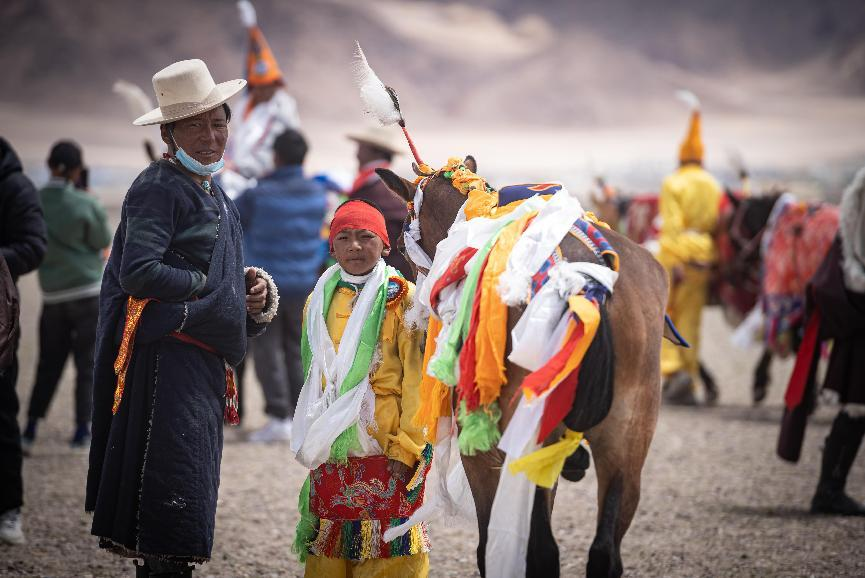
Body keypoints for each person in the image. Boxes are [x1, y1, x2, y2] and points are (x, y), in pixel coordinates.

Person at [85, 59, 278, 577]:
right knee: (172, 490)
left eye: (218, 123)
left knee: (187, 486)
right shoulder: (160, 187)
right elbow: (138, 271)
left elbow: (215, 265)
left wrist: (249, 288)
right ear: (168, 134)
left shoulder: (210, 188)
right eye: (196, 126)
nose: (211, 137)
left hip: (199, 363)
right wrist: (210, 287)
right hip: (168, 363)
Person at [291, 199, 430, 577]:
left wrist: (407, 446)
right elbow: (314, 376)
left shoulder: (404, 298)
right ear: (332, 247)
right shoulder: (318, 300)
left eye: (366, 237)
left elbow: (418, 379)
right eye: (344, 238)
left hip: (387, 440)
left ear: (384, 245)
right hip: (332, 439)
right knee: (330, 546)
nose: (354, 246)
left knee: (390, 547)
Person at [778, 166, 865, 516]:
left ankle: (831, 487)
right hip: (860, 316)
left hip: (856, 312)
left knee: (856, 407)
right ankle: (829, 488)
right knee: (855, 407)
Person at [235, 129, 326, 442]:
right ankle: (299, 415)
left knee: (267, 349)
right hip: (304, 283)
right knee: (297, 349)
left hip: (266, 285)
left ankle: (278, 416)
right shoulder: (317, 193)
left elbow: (231, 218)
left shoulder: (257, 194)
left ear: (275, 156)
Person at [21, 141, 112, 453]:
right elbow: (101, 240)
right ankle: (81, 431)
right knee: (87, 364)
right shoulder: (85, 202)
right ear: (77, 170)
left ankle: (31, 427)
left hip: (53, 295)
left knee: (48, 363)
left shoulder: (34, 200)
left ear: (49, 165)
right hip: (87, 293)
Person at [656, 99, 722, 405]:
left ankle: (673, 372)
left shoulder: (673, 182)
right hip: (705, 255)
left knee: (667, 314)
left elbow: (670, 227)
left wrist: (674, 260)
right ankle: (691, 374)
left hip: (678, 255)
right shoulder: (713, 184)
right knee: (692, 321)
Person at [0, 137, 47, 546]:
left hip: (0, 319)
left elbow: (34, 246)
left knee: (1, 414)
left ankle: (8, 508)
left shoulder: (15, 186)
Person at [220, 0, 301, 199]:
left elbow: (269, 152)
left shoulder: (281, 110)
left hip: (263, 181)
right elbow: (237, 139)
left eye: (267, 86)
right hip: (236, 173)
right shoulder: (247, 105)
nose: (261, 91)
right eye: (258, 86)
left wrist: (238, 167)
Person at [346, 126, 414, 280]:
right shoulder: (388, 184)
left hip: (384, 274)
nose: (357, 154)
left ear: (374, 151)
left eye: (361, 147)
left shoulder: (376, 188)